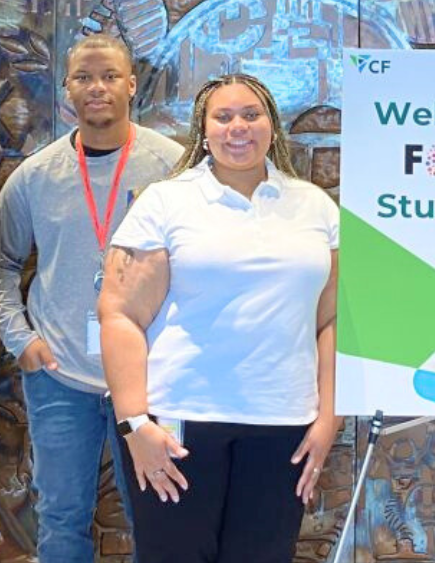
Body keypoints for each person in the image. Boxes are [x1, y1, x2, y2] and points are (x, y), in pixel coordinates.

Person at [97, 73, 341, 563]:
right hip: (181, 423)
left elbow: (330, 321)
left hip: (284, 423)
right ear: (202, 129)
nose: (238, 127)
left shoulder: (313, 204)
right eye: (223, 116)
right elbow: (120, 315)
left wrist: (328, 419)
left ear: (271, 123)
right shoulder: (167, 202)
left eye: (250, 115)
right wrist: (135, 424)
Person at [0, 34, 182, 562]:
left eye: (108, 76)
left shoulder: (173, 169)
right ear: (67, 92)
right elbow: (4, 262)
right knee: (60, 516)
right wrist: (21, 339)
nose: (96, 88)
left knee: (160, 514)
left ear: (131, 84)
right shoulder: (33, 177)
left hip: (152, 378)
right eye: (83, 78)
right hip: (59, 375)